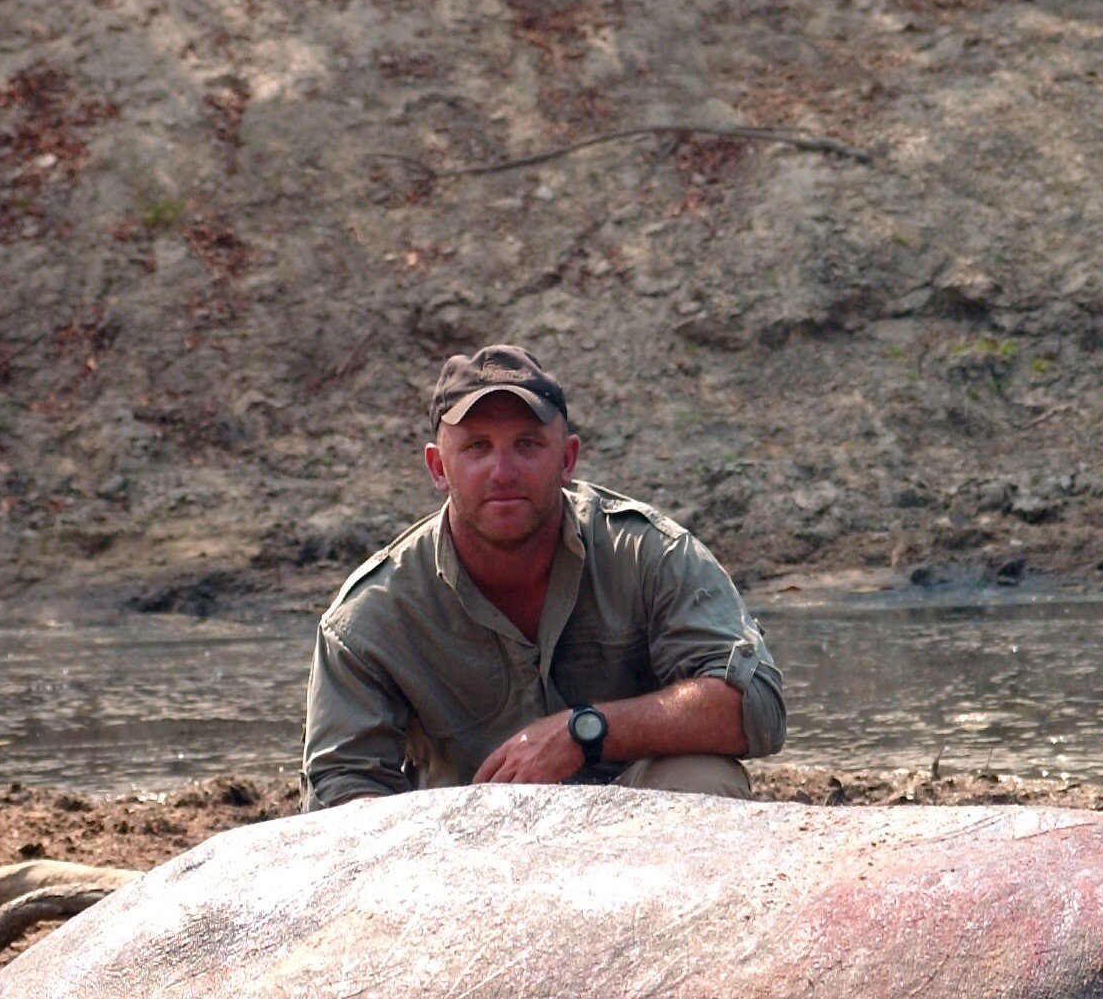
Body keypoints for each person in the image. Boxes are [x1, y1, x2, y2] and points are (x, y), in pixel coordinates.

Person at [302, 345, 786, 808]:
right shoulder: (370, 617)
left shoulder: (648, 555)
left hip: (631, 841)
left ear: (568, 460)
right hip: (458, 856)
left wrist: (586, 730)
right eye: (477, 447)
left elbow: (757, 703)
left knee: (703, 778)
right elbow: (339, 788)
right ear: (438, 468)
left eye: (528, 444)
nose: (502, 471)